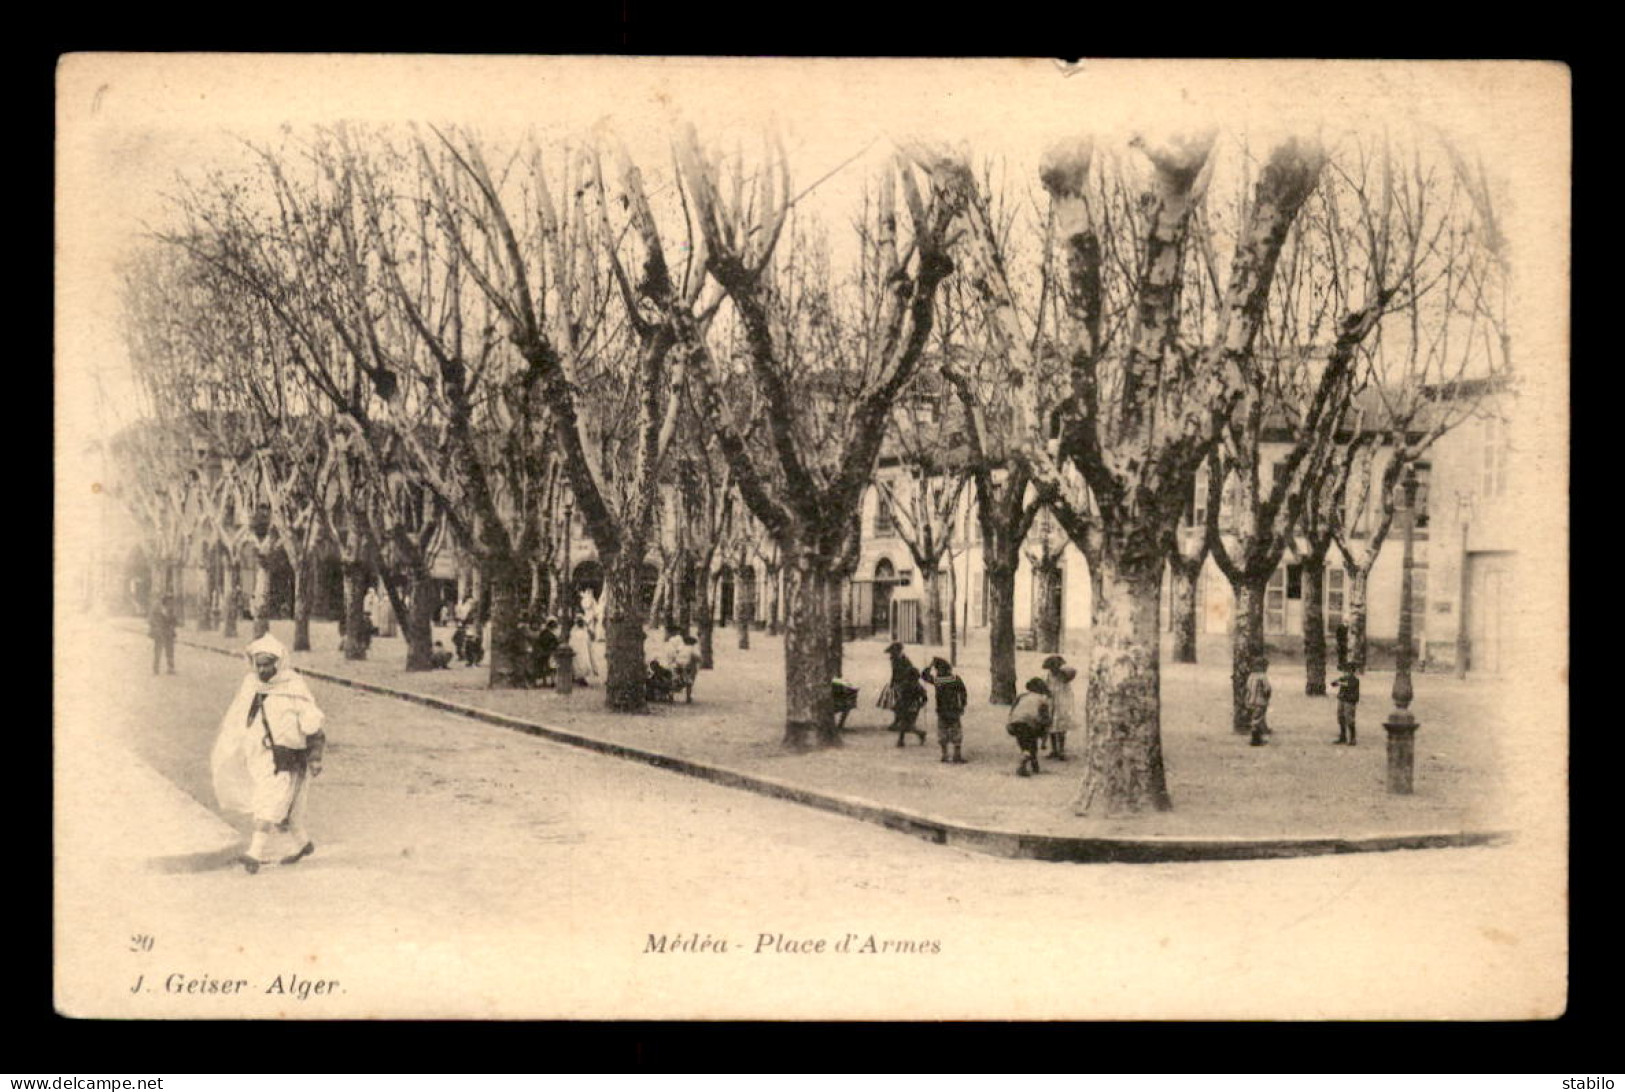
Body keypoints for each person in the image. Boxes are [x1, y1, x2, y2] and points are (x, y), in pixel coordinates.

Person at [210, 635, 328, 874]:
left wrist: (315, 757)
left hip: (285, 758)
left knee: (270, 801)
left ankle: (254, 853)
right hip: (259, 756)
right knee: (285, 808)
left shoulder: (293, 687)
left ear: (279, 663)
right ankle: (303, 844)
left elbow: (313, 725)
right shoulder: (251, 685)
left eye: (268, 664)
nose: (263, 669)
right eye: (259, 664)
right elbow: (241, 718)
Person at [922, 657, 969, 764]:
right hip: (954, 710)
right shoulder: (955, 679)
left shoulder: (938, 680)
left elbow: (924, 675)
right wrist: (962, 705)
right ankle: (957, 755)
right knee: (956, 731)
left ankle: (944, 754)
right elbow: (963, 694)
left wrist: (930, 665)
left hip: (942, 710)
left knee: (942, 731)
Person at [881, 642, 927, 746]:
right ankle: (901, 738)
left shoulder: (904, 661)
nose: (891, 655)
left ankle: (918, 734)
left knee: (907, 725)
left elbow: (921, 695)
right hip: (901, 692)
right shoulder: (895, 660)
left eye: (893, 652)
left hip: (908, 702)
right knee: (904, 722)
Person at [1006, 677, 1052, 777]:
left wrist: (1009, 723)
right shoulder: (1042, 700)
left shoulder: (1021, 696)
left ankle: (1025, 757)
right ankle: (1032, 763)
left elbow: (1013, 710)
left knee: (1023, 742)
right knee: (1032, 744)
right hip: (1029, 723)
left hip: (1015, 722)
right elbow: (1045, 718)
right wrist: (1044, 736)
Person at [1041, 654, 1078, 761]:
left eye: (1055, 667)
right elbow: (1045, 687)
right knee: (1052, 726)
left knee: (1061, 727)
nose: (1053, 669)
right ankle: (1054, 750)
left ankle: (1061, 750)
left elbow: (1072, 672)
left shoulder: (1064, 675)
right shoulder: (1048, 675)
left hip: (1062, 703)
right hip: (1052, 702)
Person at [1245, 654, 1273, 746]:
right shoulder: (1263, 677)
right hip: (1260, 702)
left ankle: (1257, 737)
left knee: (1254, 718)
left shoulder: (1251, 676)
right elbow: (1267, 689)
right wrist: (1267, 696)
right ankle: (1256, 740)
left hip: (1251, 701)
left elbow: (1248, 688)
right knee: (1258, 720)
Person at [148, 594, 178, 675]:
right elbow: (151, 620)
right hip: (159, 632)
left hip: (168, 632)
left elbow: (174, 620)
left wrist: (172, 625)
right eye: (169, 602)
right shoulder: (156, 608)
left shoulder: (171, 609)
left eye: (171, 602)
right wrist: (156, 628)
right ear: (164, 601)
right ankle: (156, 668)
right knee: (158, 650)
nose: (171, 604)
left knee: (170, 650)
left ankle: (170, 668)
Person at [1331, 664, 1360, 745]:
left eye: (1347, 671)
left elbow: (1349, 686)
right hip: (1342, 699)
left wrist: (1340, 683)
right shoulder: (1343, 679)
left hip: (1350, 701)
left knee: (1349, 719)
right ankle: (1343, 736)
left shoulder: (1355, 680)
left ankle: (1353, 738)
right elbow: (1333, 684)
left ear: (1351, 671)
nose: (1345, 673)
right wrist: (1338, 681)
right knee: (1341, 718)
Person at [670, 633, 701, 703]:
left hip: (677, 665)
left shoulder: (680, 648)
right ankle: (688, 697)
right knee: (689, 682)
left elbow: (674, 656)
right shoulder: (693, 649)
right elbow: (698, 657)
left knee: (675, 680)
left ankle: (671, 695)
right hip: (688, 667)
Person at [567, 618, 597, 686]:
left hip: (584, 650)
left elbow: (590, 639)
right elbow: (572, 642)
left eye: (581, 622)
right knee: (577, 664)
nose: (581, 624)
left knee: (584, 664)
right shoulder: (573, 632)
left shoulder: (585, 631)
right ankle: (579, 678)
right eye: (579, 622)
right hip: (577, 650)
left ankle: (581, 678)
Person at [532, 619, 561, 687]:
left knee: (551, 668)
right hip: (547, 653)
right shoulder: (547, 633)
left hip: (548, 652)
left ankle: (551, 682)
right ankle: (549, 682)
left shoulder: (548, 633)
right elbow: (546, 643)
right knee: (549, 668)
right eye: (552, 625)